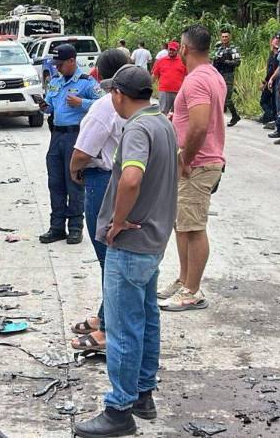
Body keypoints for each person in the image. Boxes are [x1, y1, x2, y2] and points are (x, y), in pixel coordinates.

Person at [73, 65, 178, 438]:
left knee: (122, 327)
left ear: (118, 94)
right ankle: (142, 395)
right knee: (147, 318)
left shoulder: (136, 128)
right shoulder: (163, 123)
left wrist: (116, 221)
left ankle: (119, 409)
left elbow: (131, 178)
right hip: (154, 240)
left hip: (132, 243)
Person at [67, 48, 131, 353]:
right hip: (119, 179)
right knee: (113, 258)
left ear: (100, 74)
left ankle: (109, 330)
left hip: (103, 181)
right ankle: (106, 316)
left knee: (109, 259)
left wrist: (74, 169)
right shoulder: (135, 106)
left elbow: (83, 152)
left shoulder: (104, 107)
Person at [159, 25, 227, 312]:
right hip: (197, 162)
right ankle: (184, 280)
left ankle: (193, 290)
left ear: (185, 49)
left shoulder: (197, 80)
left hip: (197, 165)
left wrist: (185, 159)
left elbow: (199, 125)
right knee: (183, 225)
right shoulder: (213, 75)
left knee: (194, 227)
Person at [39, 44, 105, 244]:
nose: (57, 68)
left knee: (74, 182)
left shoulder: (87, 83)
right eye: (55, 64)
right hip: (56, 136)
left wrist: (81, 103)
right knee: (55, 182)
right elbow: (50, 106)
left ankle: (75, 227)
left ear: (72, 61)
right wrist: (44, 106)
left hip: (76, 136)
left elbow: (104, 103)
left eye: (60, 64)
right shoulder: (55, 82)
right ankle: (56, 227)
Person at [212, 28, 243, 126]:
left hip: (228, 74)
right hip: (218, 74)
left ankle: (235, 115)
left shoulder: (233, 48)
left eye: (226, 37)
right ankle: (218, 118)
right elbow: (214, 59)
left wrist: (225, 61)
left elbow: (237, 62)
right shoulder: (218, 48)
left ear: (229, 37)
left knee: (227, 97)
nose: (224, 38)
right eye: (223, 37)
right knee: (217, 96)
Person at [151, 41, 187, 114]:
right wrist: (148, 85)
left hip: (178, 92)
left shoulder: (182, 62)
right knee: (163, 112)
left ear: (177, 50)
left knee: (176, 114)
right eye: (170, 49)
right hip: (164, 91)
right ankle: (163, 125)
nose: (171, 51)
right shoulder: (161, 61)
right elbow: (154, 75)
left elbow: (188, 76)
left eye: (173, 50)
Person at [260, 32, 280, 126]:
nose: (276, 41)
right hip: (271, 80)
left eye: (278, 40)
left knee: (273, 102)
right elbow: (269, 69)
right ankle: (270, 117)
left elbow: (274, 69)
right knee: (267, 101)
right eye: (275, 39)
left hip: (277, 81)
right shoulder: (272, 53)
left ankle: (273, 118)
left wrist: (266, 81)